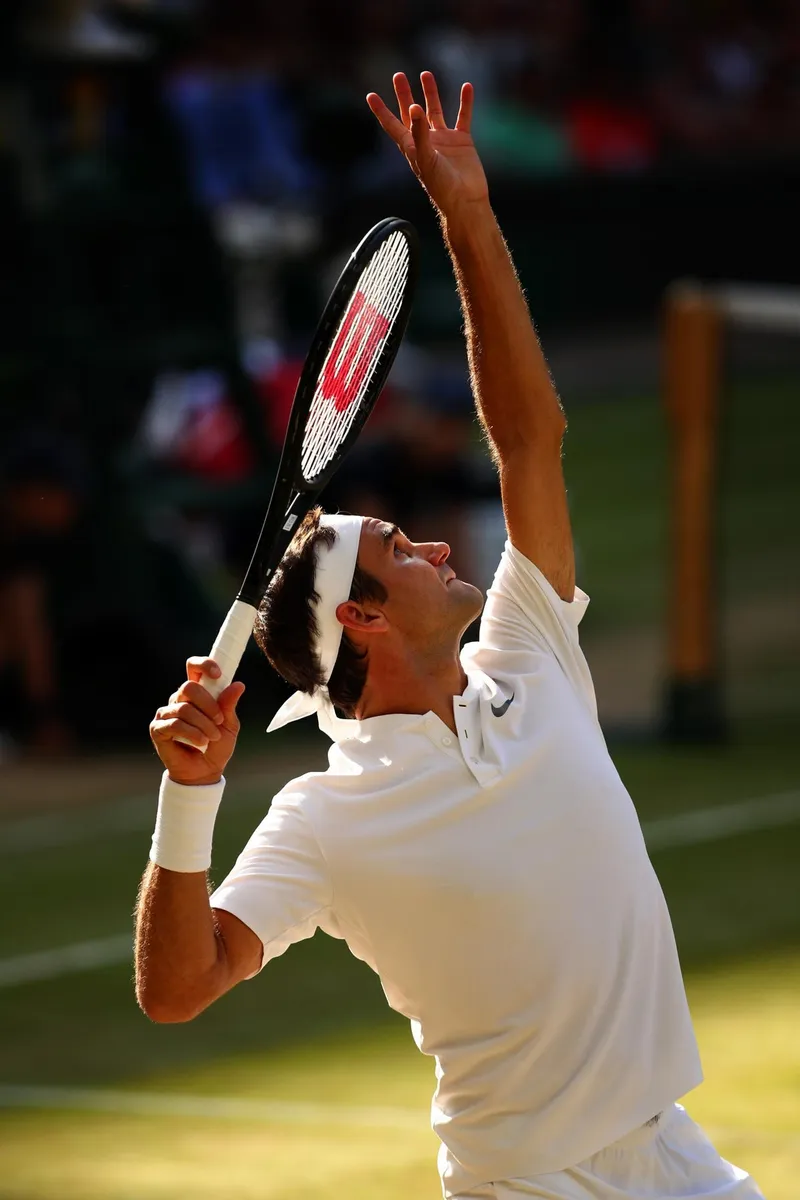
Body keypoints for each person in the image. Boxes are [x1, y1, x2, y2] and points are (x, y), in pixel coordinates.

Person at [136, 72, 764, 1200]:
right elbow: (179, 988)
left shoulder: (527, 657)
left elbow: (529, 441)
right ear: (361, 619)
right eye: (400, 548)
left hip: (673, 1159)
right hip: (520, 1187)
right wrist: (190, 797)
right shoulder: (320, 818)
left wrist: (467, 220)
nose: (432, 546)